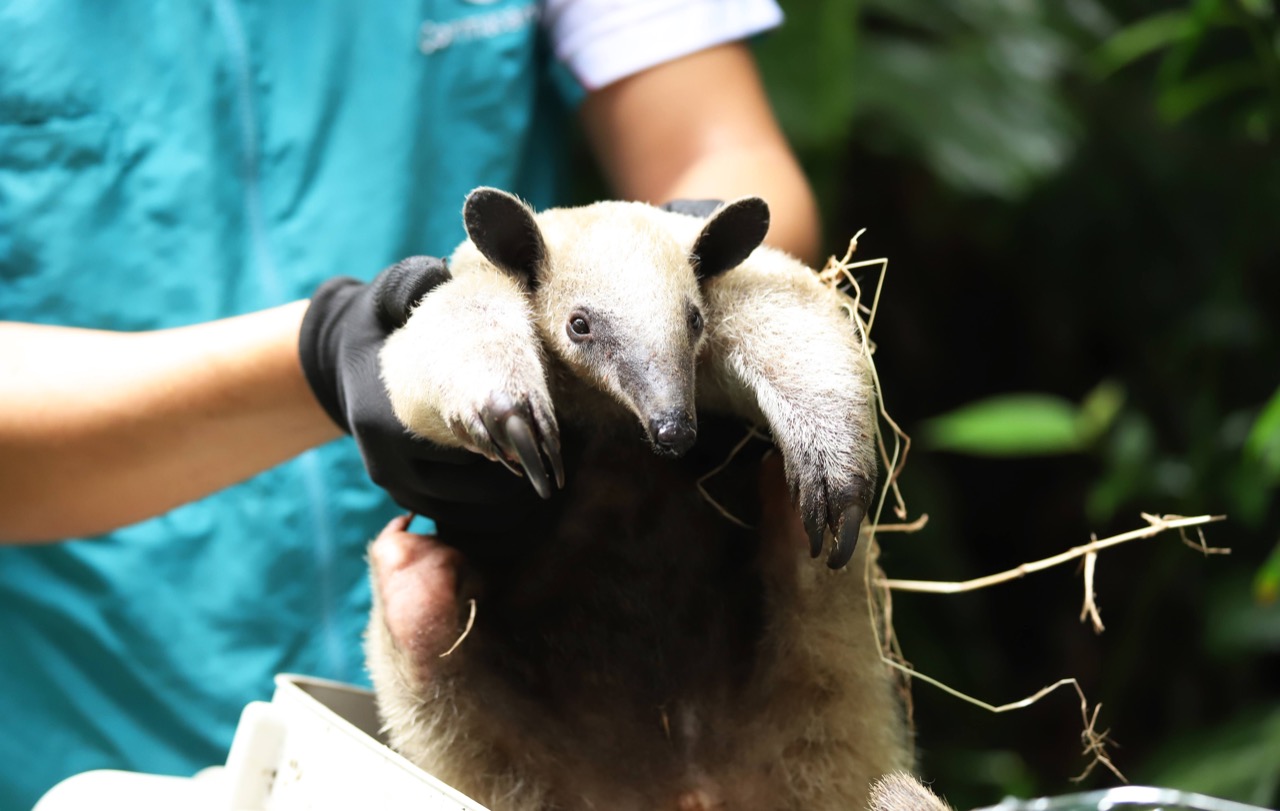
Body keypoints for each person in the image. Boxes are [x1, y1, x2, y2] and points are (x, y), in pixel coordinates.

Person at [0, 1, 821, 807]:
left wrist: (674, 266)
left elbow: (721, 152)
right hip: (96, 715)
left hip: (533, 675)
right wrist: (328, 354)